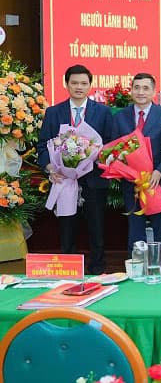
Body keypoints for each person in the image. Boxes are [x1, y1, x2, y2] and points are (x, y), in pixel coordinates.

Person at [37, 64, 113, 274]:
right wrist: (51, 167)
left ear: (90, 85)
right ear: (66, 84)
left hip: (94, 178)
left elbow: (109, 144)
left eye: (83, 83)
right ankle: (69, 269)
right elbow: (43, 145)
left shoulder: (103, 112)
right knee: (67, 227)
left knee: (96, 228)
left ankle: (97, 269)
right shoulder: (53, 112)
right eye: (74, 83)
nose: (79, 87)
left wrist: (97, 157)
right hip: (64, 179)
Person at [112, 73, 161, 273]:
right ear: (131, 90)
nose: (141, 92)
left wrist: (159, 171)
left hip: (157, 183)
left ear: (154, 91)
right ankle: (136, 271)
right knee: (135, 229)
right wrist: (122, 166)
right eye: (136, 87)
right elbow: (114, 149)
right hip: (131, 183)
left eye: (146, 88)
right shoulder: (120, 117)